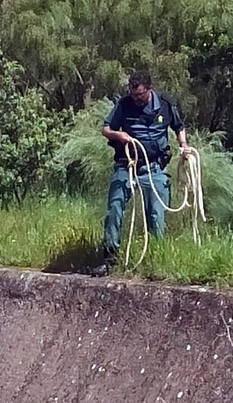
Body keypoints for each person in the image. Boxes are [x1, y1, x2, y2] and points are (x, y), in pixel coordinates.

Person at [92, 71, 191, 276]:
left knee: (156, 214)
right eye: (133, 94)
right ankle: (110, 258)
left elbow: (179, 127)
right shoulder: (124, 104)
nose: (136, 99)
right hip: (126, 165)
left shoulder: (165, 104)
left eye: (140, 95)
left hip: (154, 168)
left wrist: (183, 145)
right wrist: (118, 135)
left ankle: (156, 261)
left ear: (149, 90)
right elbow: (105, 128)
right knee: (114, 207)